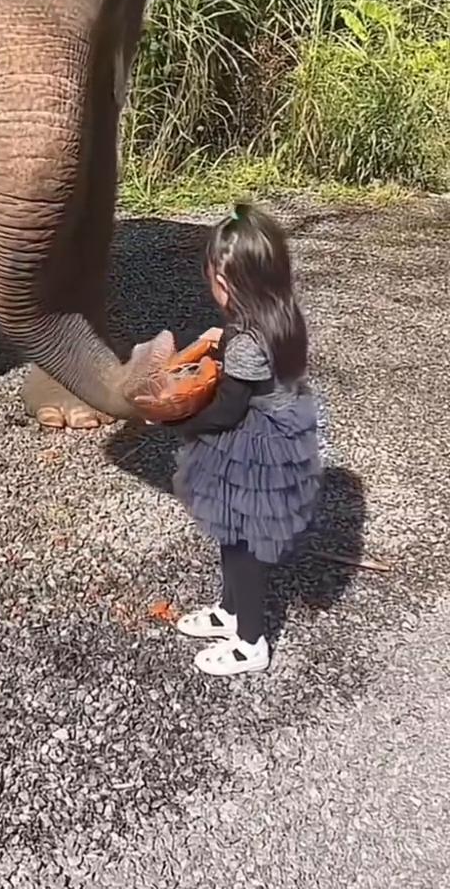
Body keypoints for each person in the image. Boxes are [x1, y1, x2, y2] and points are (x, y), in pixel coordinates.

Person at [146, 202, 320, 677]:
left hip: (255, 451)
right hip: (275, 440)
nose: (213, 289)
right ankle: (229, 613)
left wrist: (176, 420)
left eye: (214, 280)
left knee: (243, 544)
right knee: (231, 534)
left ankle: (250, 642)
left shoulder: (247, 341)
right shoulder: (279, 316)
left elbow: (227, 408)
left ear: (227, 283)